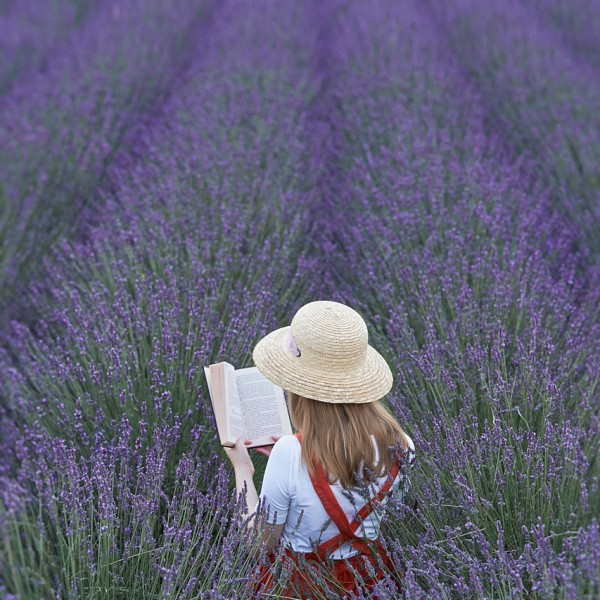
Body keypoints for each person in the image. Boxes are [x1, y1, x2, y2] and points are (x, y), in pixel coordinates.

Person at [224, 300, 416, 598]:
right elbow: (398, 521)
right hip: (371, 583)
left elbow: (258, 545)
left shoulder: (290, 454)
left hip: (301, 585)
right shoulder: (401, 442)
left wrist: (243, 470)